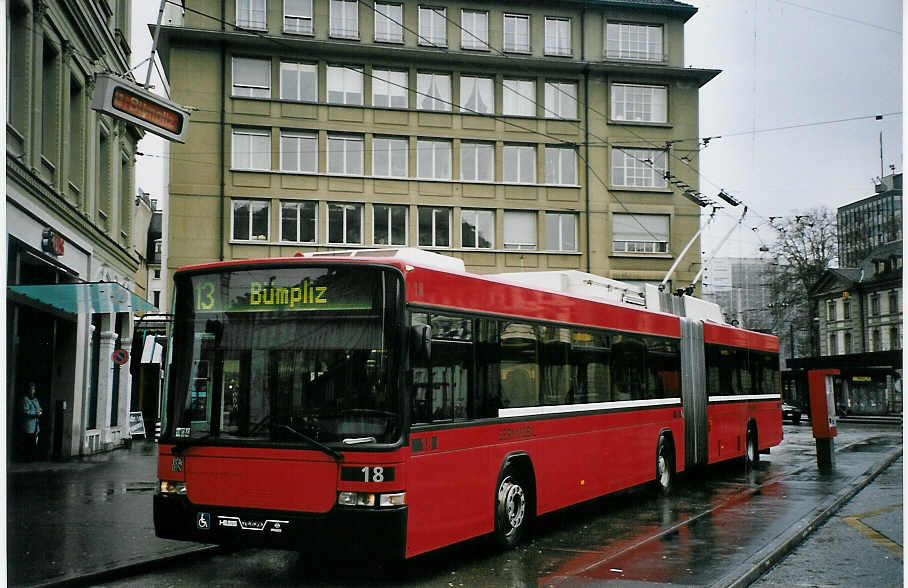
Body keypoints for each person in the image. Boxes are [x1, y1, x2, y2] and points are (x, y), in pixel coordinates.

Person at [20, 382, 42, 460]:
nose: (33, 391)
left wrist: (39, 412)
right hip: (28, 425)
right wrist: (35, 412)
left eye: (33, 389)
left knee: (34, 441)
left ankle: (32, 457)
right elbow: (26, 411)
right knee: (28, 441)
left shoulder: (35, 400)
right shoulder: (25, 399)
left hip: (35, 425)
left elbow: (39, 409)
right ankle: (27, 458)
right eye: (31, 389)